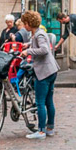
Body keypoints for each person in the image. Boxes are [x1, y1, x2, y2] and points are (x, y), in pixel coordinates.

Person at [20, 11, 60, 139]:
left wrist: (28, 51)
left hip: (44, 71)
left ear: (28, 24)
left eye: (24, 23)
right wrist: (29, 45)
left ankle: (41, 131)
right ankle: (50, 128)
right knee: (49, 100)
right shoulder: (37, 33)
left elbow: (44, 50)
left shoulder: (39, 34)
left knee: (40, 101)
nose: (23, 26)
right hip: (51, 70)